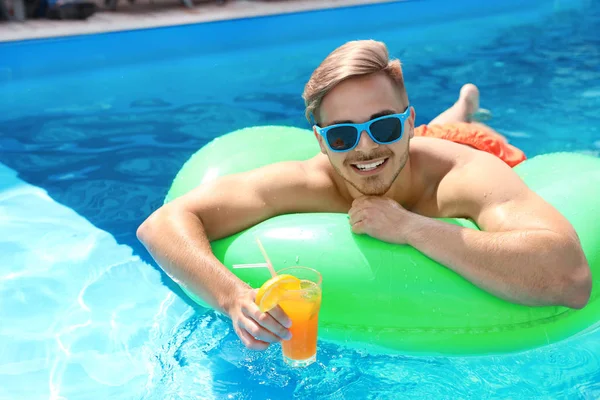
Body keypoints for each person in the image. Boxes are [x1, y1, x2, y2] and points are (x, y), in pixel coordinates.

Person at [137, 40, 592, 351]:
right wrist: (234, 297)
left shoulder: (464, 174)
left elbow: (570, 279)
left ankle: (464, 110)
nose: (364, 146)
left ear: (407, 121)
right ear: (319, 141)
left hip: (468, 142)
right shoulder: (307, 181)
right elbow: (160, 225)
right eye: (341, 135)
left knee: (465, 128)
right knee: (394, 147)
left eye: (385, 124)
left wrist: (410, 228)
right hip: (411, 148)